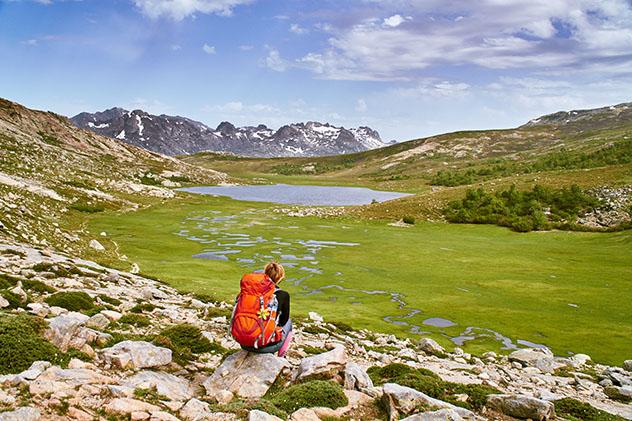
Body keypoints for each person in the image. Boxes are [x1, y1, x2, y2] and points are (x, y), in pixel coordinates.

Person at [230, 262, 293, 357]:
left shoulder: (249, 293)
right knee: (289, 322)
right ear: (280, 278)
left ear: (265, 274)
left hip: (243, 343)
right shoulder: (283, 295)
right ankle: (281, 357)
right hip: (265, 345)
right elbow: (283, 321)